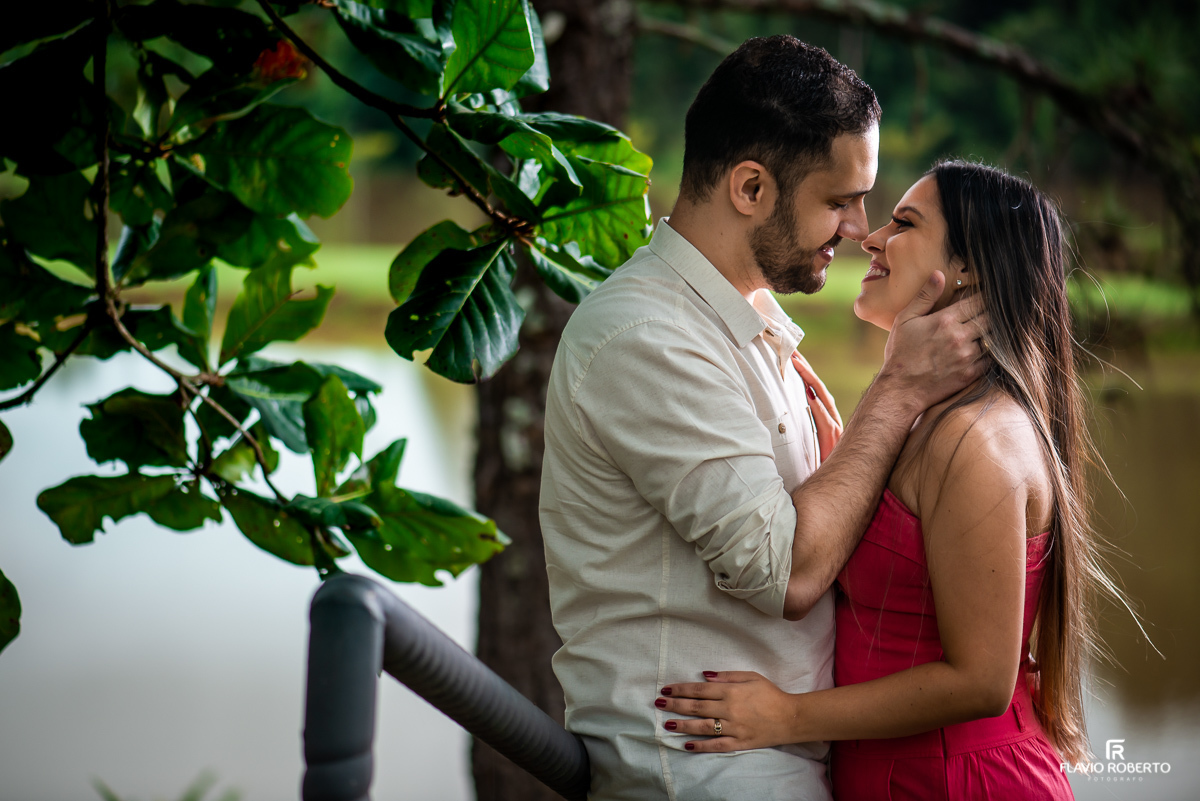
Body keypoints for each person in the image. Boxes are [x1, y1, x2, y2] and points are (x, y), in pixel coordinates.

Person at [539, 36, 988, 800]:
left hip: (778, 756)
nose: (859, 228)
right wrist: (898, 389)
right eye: (839, 200)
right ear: (750, 189)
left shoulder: (743, 318)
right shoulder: (648, 336)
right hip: (705, 768)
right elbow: (787, 572)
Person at [657, 161, 1103, 799]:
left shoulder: (974, 443)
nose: (870, 237)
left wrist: (784, 716)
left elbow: (982, 680)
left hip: (958, 782)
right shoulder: (935, 417)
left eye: (905, 222)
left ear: (968, 269)